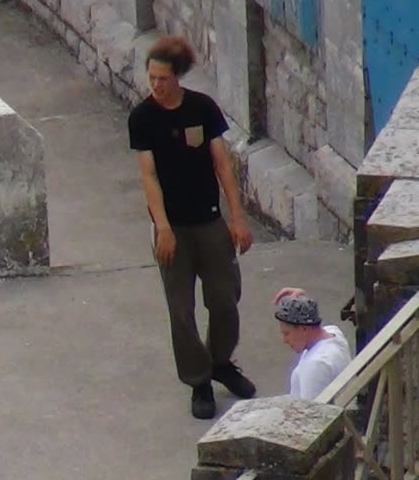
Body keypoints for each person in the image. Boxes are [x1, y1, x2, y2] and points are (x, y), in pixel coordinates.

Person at [128, 35, 256, 420]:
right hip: (174, 229)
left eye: (162, 78)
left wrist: (237, 218)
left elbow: (222, 165)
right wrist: (162, 227)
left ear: (177, 77)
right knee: (180, 310)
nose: (156, 85)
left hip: (210, 220)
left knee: (224, 297)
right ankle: (198, 379)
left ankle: (220, 362)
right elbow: (148, 176)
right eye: (151, 77)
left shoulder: (202, 109)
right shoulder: (143, 118)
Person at [273, 288, 352, 400]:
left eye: (287, 333)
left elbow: (310, 413)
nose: (284, 340)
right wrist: (301, 302)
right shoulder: (334, 332)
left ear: (304, 329)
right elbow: (314, 323)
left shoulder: (315, 366)